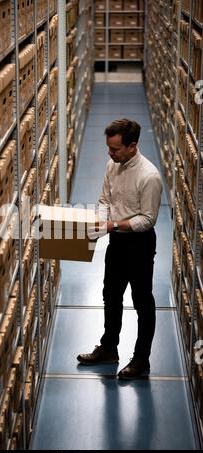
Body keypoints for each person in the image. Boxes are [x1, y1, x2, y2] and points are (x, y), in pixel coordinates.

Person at [77, 119, 163, 380]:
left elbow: (147, 219)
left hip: (139, 244)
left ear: (132, 146)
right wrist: (99, 220)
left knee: (142, 302)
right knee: (110, 294)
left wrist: (113, 224)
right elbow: (105, 198)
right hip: (116, 240)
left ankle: (141, 360)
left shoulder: (149, 176)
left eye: (115, 149)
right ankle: (109, 348)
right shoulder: (111, 164)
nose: (109, 153)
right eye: (108, 148)